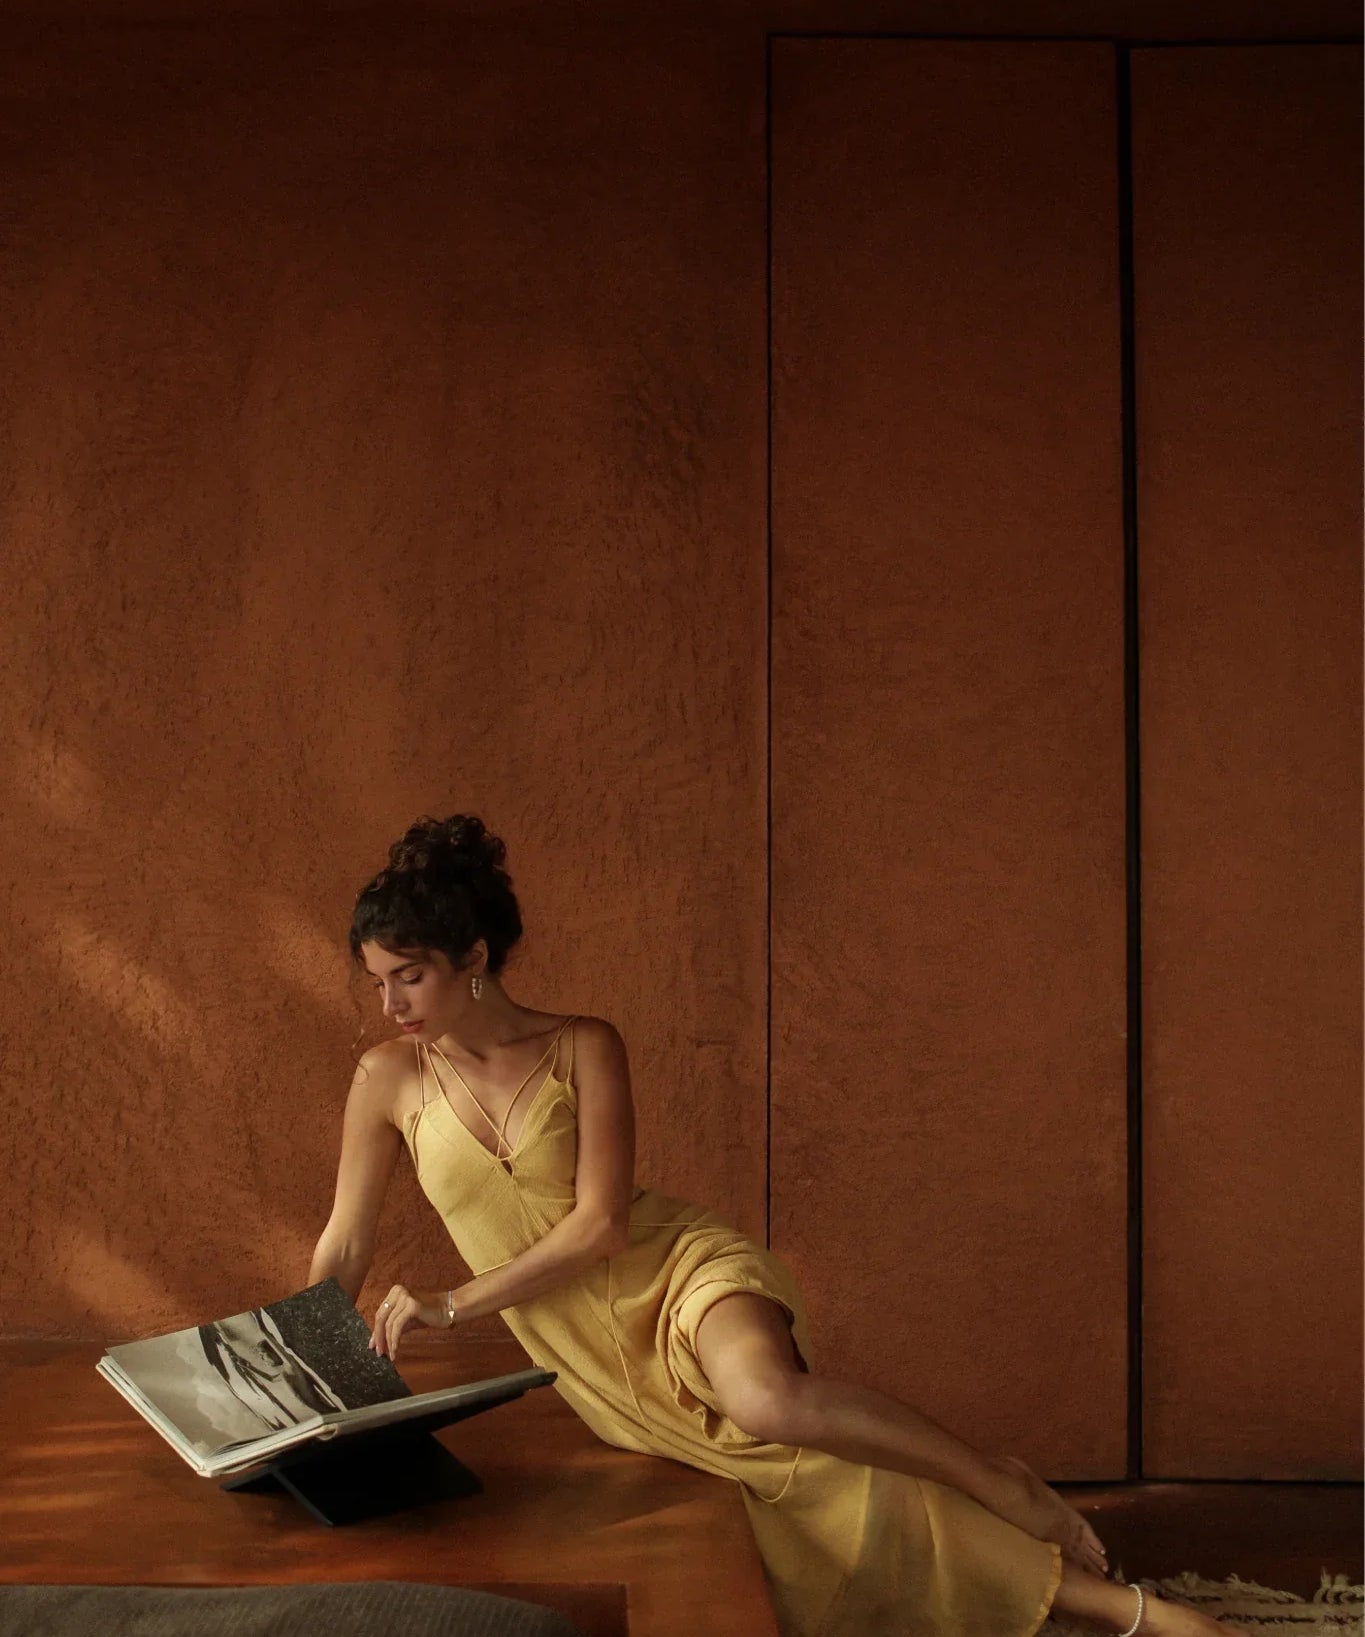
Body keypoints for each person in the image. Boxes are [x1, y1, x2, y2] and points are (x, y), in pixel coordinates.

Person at [308, 814, 1245, 1637]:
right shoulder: (388, 1080)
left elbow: (600, 1227)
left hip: (677, 1271)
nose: (390, 1004)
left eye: (409, 976)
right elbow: (346, 1243)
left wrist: (452, 1302)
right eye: (378, 981)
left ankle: (1004, 1487)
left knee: (765, 1401)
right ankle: (1110, 1607)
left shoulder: (582, 1045)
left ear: (473, 958)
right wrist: (295, 1360)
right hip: (594, 1355)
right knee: (814, 1486)